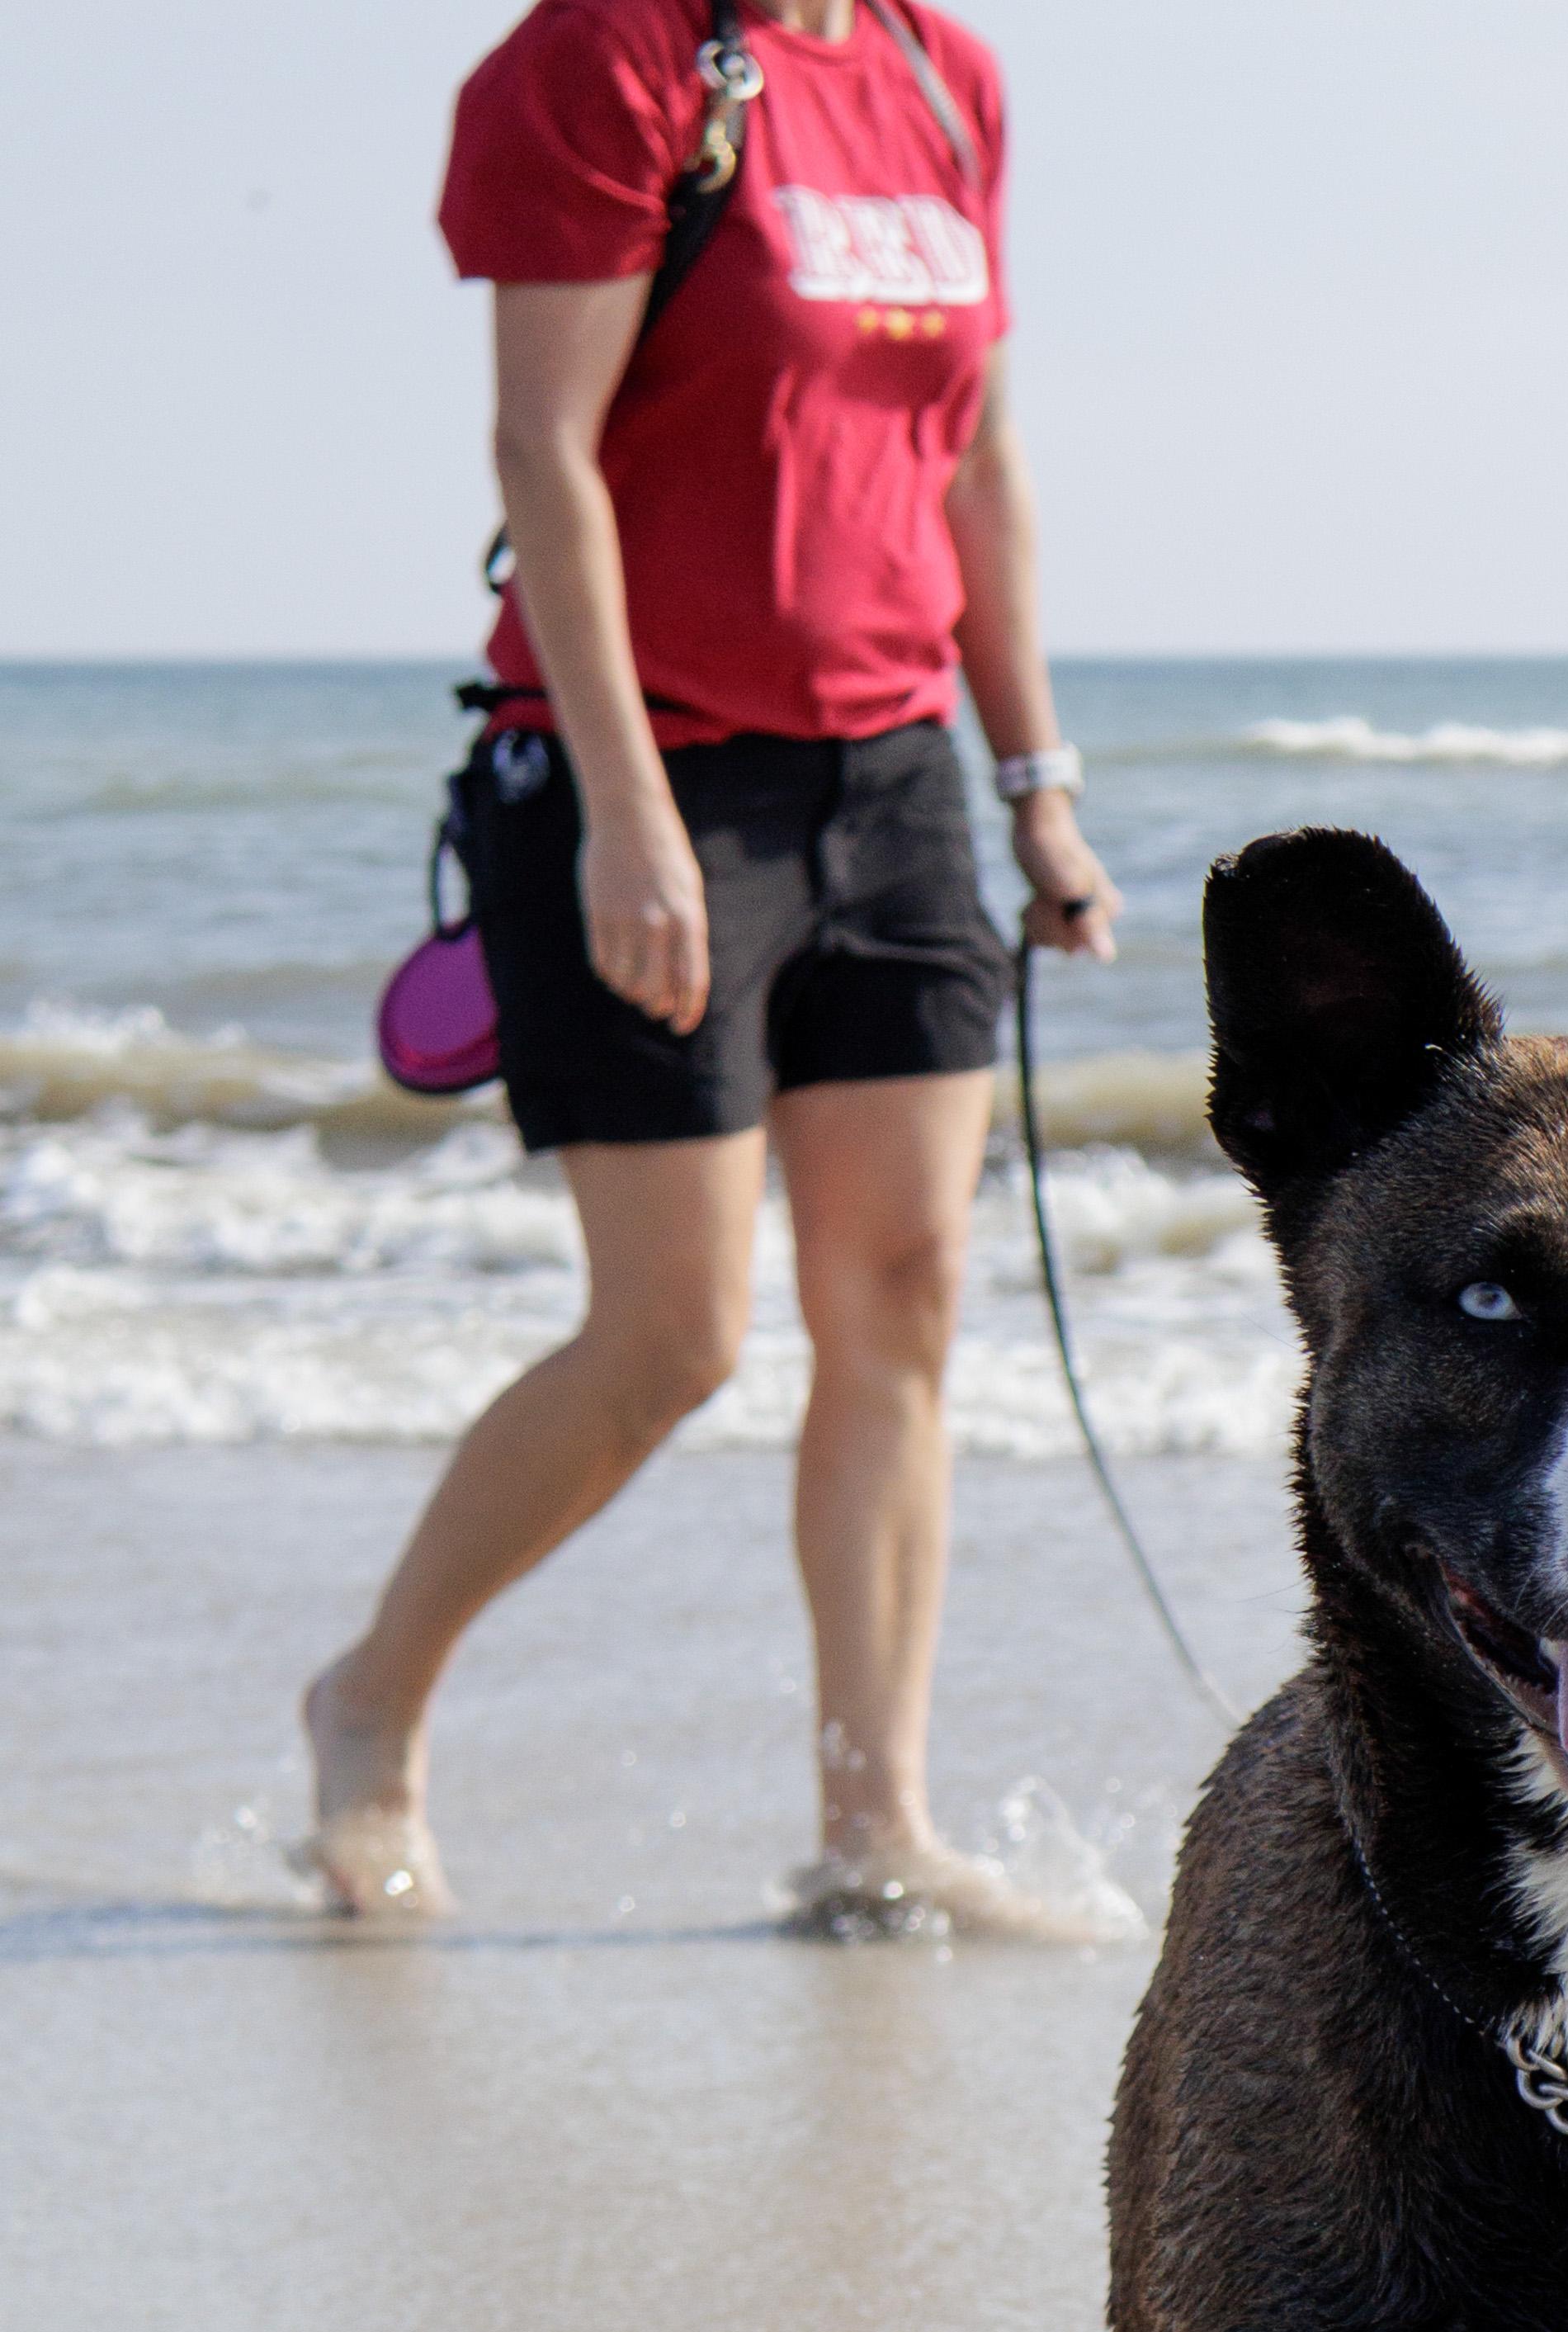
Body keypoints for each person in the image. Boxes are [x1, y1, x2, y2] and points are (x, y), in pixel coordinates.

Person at [305, 0, 1118, 1931]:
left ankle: (872, 1828)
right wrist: (624, 808)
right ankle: (371, 1701)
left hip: (898, 774)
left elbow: (977, 464)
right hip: (641, 768)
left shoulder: (940, 73)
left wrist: (1036, 787)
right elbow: (544, 448)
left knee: (903, 1301)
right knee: (675, 1335)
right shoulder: (611, 59)